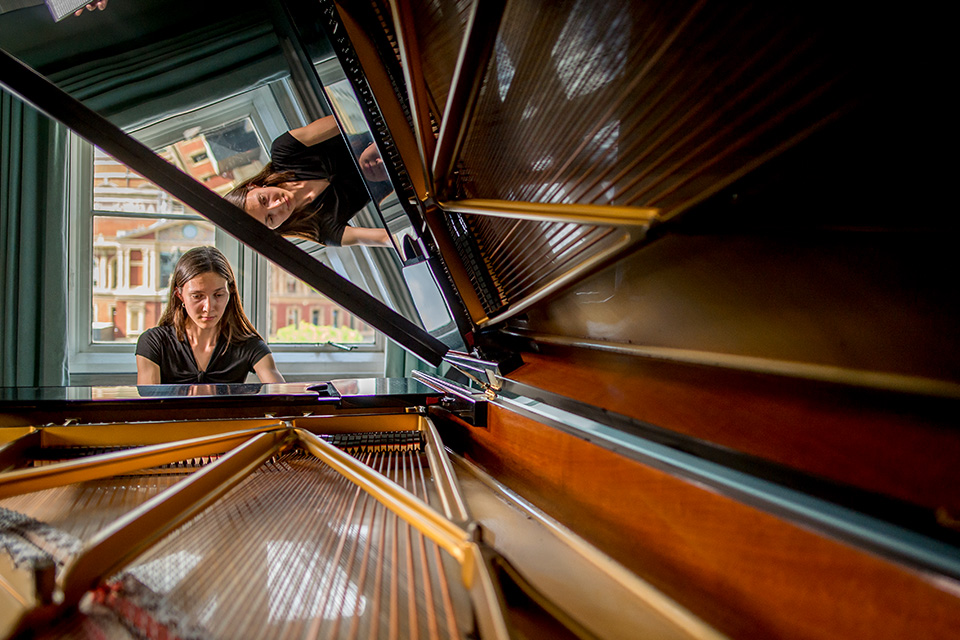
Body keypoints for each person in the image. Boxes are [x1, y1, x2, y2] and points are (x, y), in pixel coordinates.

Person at [225, 115, 392, 248]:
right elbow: (385, 238)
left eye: (263, 200)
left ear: (253, 186)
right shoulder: (319, 230)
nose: (277, 206)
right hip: (402, 169)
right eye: (270, 219)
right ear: (273, 229)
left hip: (387, 126)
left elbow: (349, 116)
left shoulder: (284, 151)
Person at [136, 246, 284, 385]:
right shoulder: (153, 343)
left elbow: (283, 397)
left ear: (230, 292)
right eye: (197, 296)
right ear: (179, 295)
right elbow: (148, 407)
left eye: (218, 295)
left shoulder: (248, 344)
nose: (209, 307)